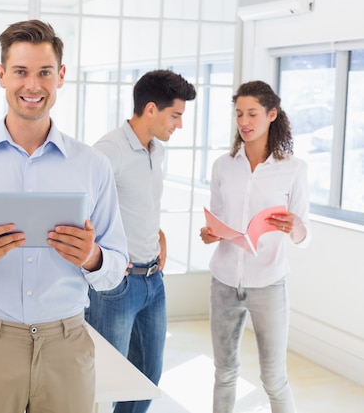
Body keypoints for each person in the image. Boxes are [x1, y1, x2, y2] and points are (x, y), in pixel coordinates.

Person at [0, 19, 128, 413]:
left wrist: (92, 257)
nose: (32, 86)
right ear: (1, 75)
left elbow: (115, 270)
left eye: (44, 73)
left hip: (66, 347)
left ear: (61, 76)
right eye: (20, 72)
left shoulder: (93, 165)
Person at [86, 69, 196, 413]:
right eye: (175, 115)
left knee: (147, 376)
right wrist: (104, 257)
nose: (179, 124)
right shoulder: (108, 150)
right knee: (105, 380)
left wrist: (159, 234)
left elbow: (140, 204)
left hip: (153, 281)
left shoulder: (156, 150)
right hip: (117, 285)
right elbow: (79, 211)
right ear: (151, 109)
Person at [200, 80, 310, 413]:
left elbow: (304, 234)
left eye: (252, 114)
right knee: (224, 373)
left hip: (269, 285)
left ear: (272, 114)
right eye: (238, 115)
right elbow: (216, 219)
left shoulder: (293, 170)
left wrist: (295, 226)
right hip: (224, 282)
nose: (244, 122)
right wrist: (211, 234)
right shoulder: (223, 165)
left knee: (274, 379)